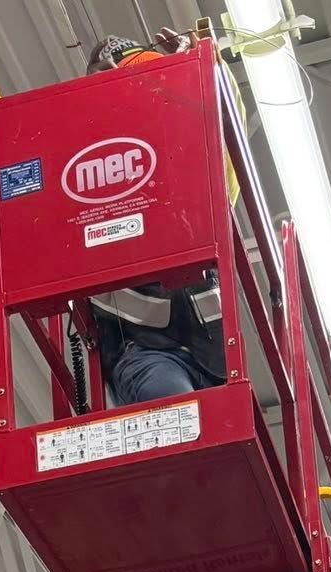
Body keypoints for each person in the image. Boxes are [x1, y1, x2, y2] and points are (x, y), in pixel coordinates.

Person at [85, 32, 226, 407]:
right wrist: (99, 106)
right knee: (179, 416)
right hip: (146, 352)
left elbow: (224, 146)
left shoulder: (187, 174)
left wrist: (204, 71)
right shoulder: (98, 172)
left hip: (214, 360)